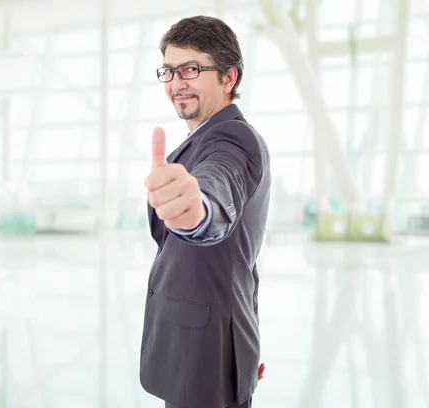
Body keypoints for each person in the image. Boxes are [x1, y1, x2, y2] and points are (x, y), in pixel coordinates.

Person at [140, 15, 271, 408]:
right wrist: (243, 343)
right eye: (169, 70)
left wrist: (198, 212)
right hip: (208, 349)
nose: (177, 83)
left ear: (228, 78)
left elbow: (217, 191)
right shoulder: (203, 140)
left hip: (204, 357)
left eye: (191, 69)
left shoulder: (232, 139)